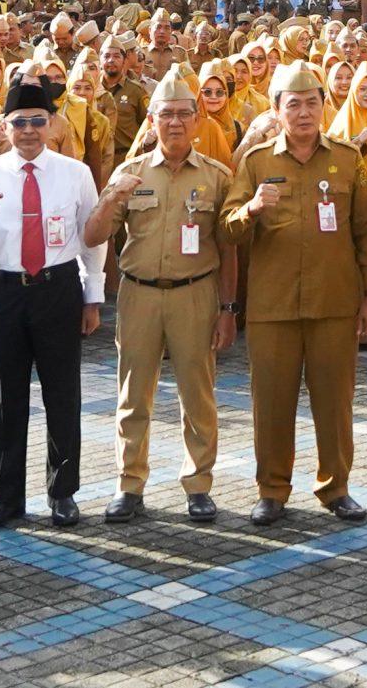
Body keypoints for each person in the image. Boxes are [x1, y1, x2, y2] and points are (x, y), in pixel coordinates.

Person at [222, 61, 367, 527]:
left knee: (334, 401)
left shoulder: (348, 159)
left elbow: (366, 234)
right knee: (271, 401)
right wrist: (250, 209)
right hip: (273, 306)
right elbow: (226, 230)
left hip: (334, 302)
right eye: (294, 104)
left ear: (324, 106)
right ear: (276, 110)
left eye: (313, 102)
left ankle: (336, 487)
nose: (305, 112)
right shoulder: (256, 163)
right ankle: (272, 489)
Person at [0, 80, 108, 531]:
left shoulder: (74, 172)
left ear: (52, 124)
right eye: (18, 122)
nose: (28, 130)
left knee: (62, 394)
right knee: (6, 398)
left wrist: (93, 295)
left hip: (58, 288)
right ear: (3, 127)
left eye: (37, 121)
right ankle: (5, 499)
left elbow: (92, 238)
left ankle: (63, 493)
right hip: (5, 290)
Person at [98, 76, 237, 525]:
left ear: (197, 121)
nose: (174, 122)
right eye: (166, 114)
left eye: (183, 113)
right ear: (152, 120)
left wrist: (227, 309)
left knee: (198, 397)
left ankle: (198, 484)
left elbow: (229, 248)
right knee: (133, 396)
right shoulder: (131, 173)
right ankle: (129, 484)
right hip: (138, 293)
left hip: (195, 294)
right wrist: (112, 197)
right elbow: (92, 235)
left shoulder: (218, 178)